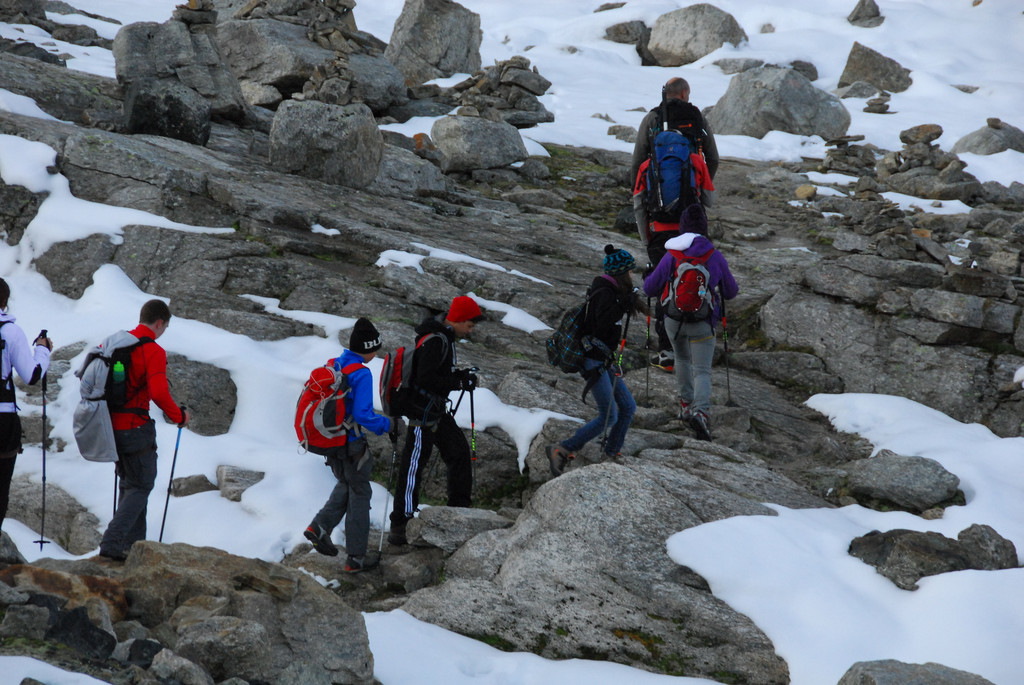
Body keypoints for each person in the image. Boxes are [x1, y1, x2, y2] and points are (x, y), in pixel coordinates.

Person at [631, 76, 720, 373]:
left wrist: (652, 194)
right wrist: (695, 186)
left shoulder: (651, 119)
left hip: (658, 226)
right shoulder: (696, 119)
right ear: (685, 93)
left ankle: (667, 352)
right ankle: (699, 344)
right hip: (691, 223)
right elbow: (714, 159)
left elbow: (636, 164)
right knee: (697, 276)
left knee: (663, 284)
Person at [303, 317, 401, 572]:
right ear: (369, 347)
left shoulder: (334, 365)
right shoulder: (361, 373)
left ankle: (319, 527)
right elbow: (363, 415)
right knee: (360, 494)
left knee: (347, 484)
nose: (377, 352)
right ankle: (355, 559)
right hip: (352, 444)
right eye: (375, 348)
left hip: (330, 442)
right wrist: (389, 425)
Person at [98, 299, 189, 561]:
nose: (163, 332)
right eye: (165, 327)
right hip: (135, 428)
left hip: (109, 426)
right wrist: (179, 416)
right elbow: (159, 393)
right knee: (141, 486)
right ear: (159, 323)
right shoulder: (153, 350)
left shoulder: (116, 343)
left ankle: (133, 549)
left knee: (130, 485)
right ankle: (113, 543)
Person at [388, 296, 483, 546]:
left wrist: (459, 376)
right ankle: (400, 523)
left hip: (436, 411)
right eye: (470, 326)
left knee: (459, 452)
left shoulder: (444, 336)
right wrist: (457, 382)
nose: (470, 331)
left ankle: (459, 508)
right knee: (413, 466)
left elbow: (438, 374)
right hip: (422, 412)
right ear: (459, 320)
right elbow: (425, 379)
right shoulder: (436, 340)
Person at [546, 246, 644, 475]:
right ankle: (561, 449)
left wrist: (626, 301)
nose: (632, 275)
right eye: (630, 271)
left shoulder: (611, 291)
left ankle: (611, 453)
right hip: (593, 362)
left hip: (604, 361)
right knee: (609, 414)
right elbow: (600, 324)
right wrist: (622, 304)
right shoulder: (604, 294)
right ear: (621, 273)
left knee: (628, 407)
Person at [642, 204, 738, 441]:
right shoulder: (714, 255)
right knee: (702, 370)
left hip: (673, 320)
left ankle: (686, 406)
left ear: (682, 228)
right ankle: (701, 413)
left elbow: (649, 288)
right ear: (704, 229)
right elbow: (731, 291)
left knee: (682, 359)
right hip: (703, 321)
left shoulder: (671, 254)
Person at [0, 278, 52, 534]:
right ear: (5, 302)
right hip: (3, 420)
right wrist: (42, 350)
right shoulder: (10, 332)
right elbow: (32, 376)